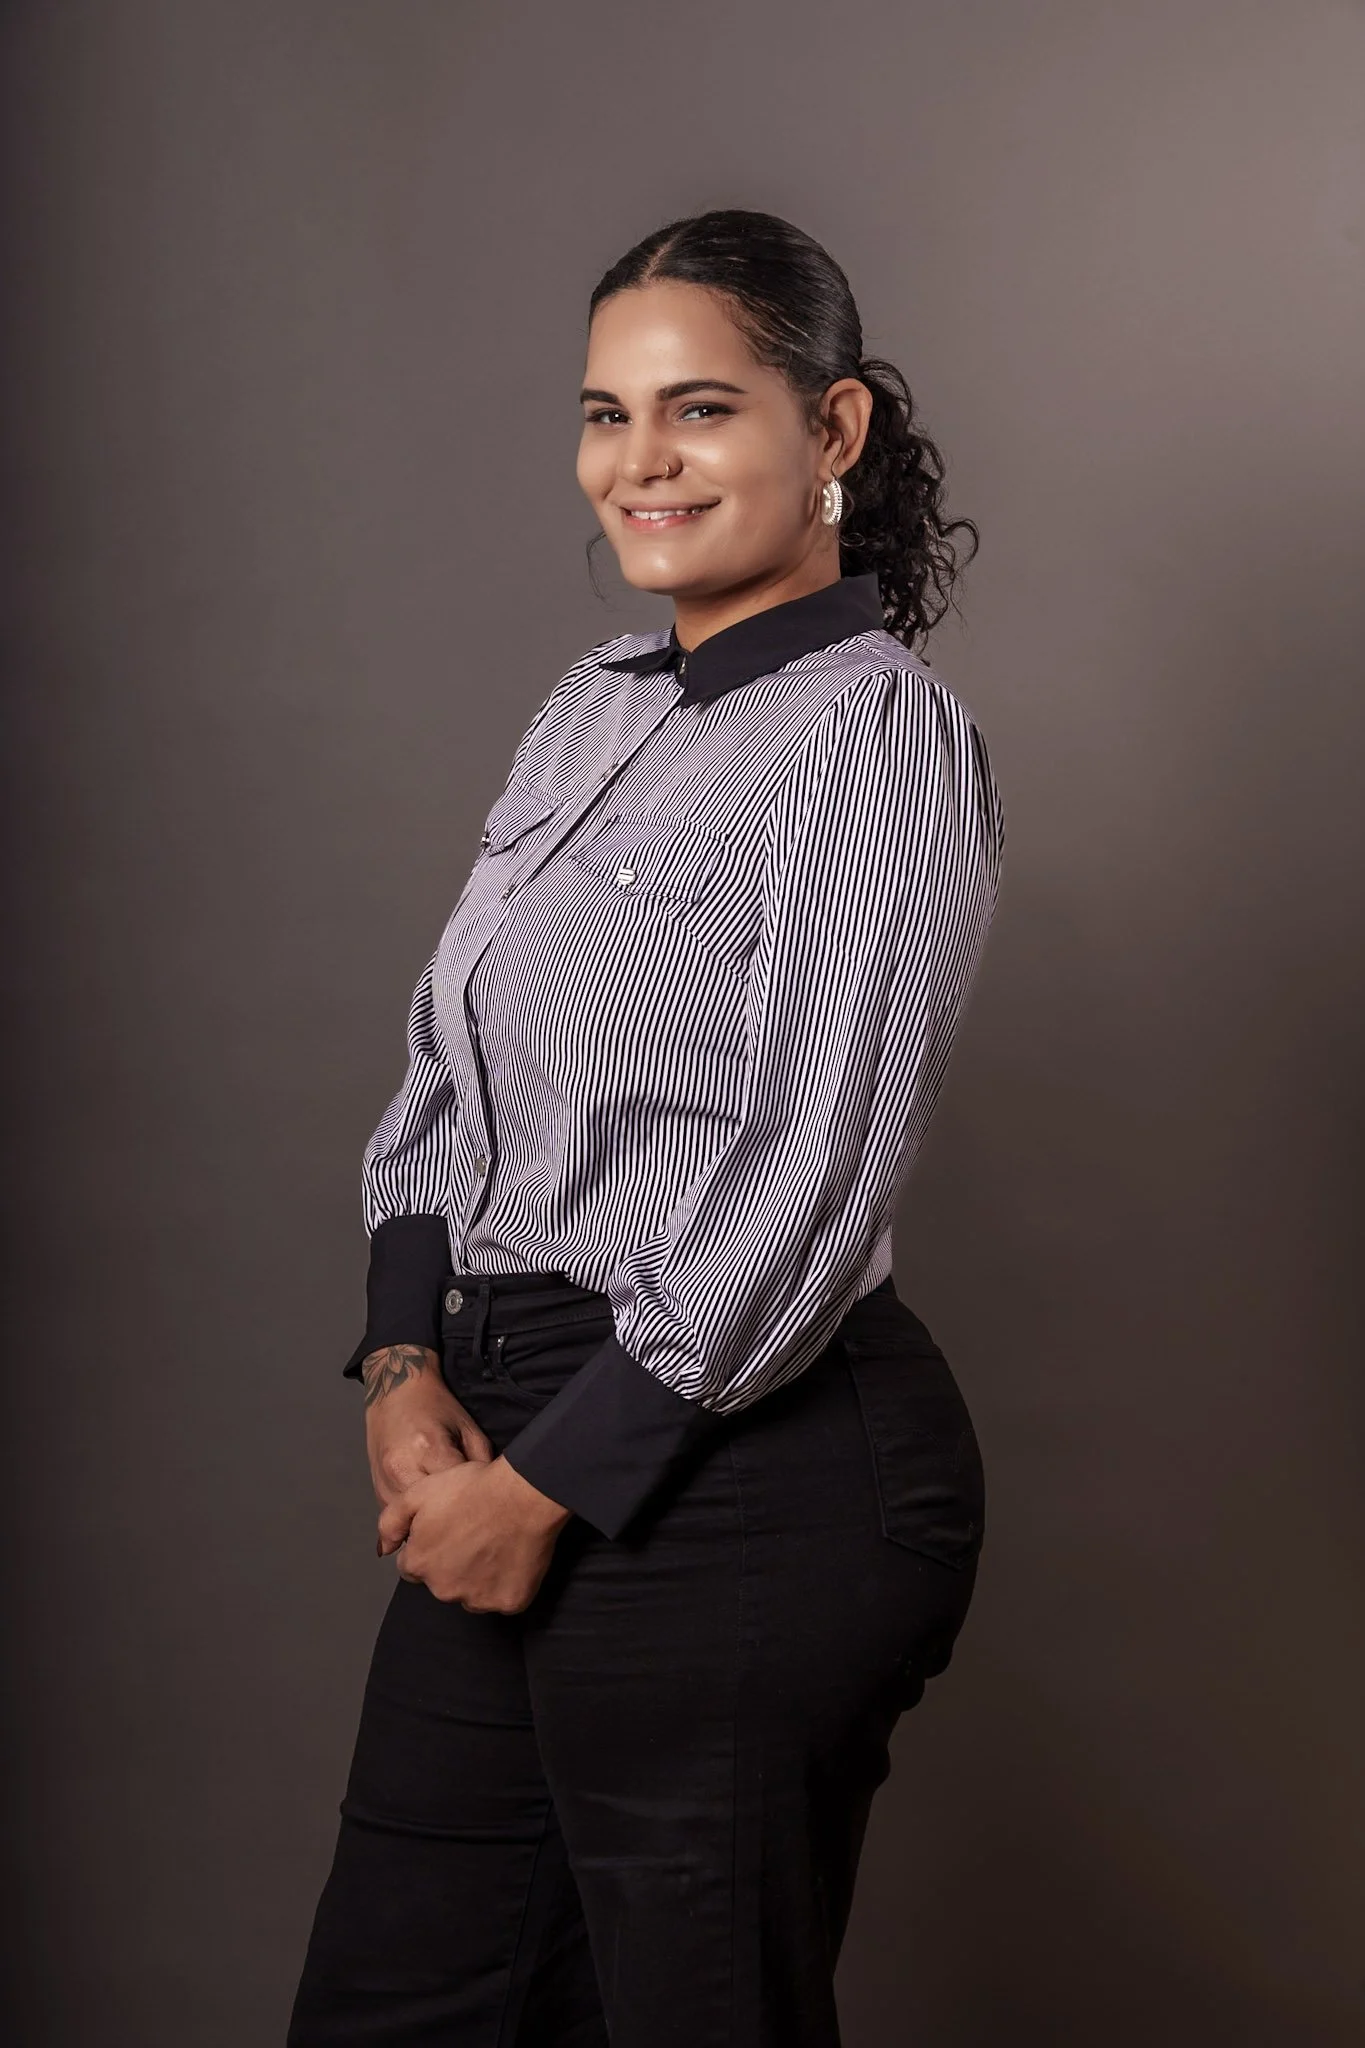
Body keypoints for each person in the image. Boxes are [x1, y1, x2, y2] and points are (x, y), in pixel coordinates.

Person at [286, 206, 1005, 2048]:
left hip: (744, 1460)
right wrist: (401, 1360)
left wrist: (550, 1482)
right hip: (499, 1414)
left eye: (698, 410)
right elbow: (454, 1062)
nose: (642, 464)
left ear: (829, 434)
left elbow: (817, 1160)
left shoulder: (872, 732)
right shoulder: (586, 709)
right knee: (402, 2000)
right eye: (606, 415)